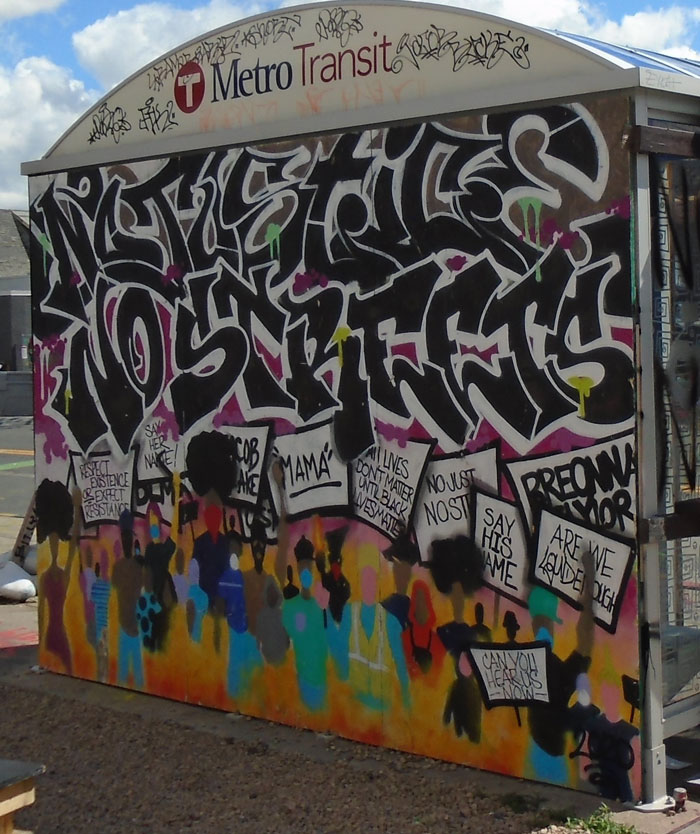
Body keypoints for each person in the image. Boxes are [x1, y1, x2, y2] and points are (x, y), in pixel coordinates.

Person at [36, 480, 82, 674]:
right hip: (58, 634)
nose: (54, 546)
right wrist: (77, 507)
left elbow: (41, 613)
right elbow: (72, 547)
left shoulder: (48, 578)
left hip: (50, 635)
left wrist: (77, 507)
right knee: (68, 664)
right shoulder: (60, 577)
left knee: (66, 665)